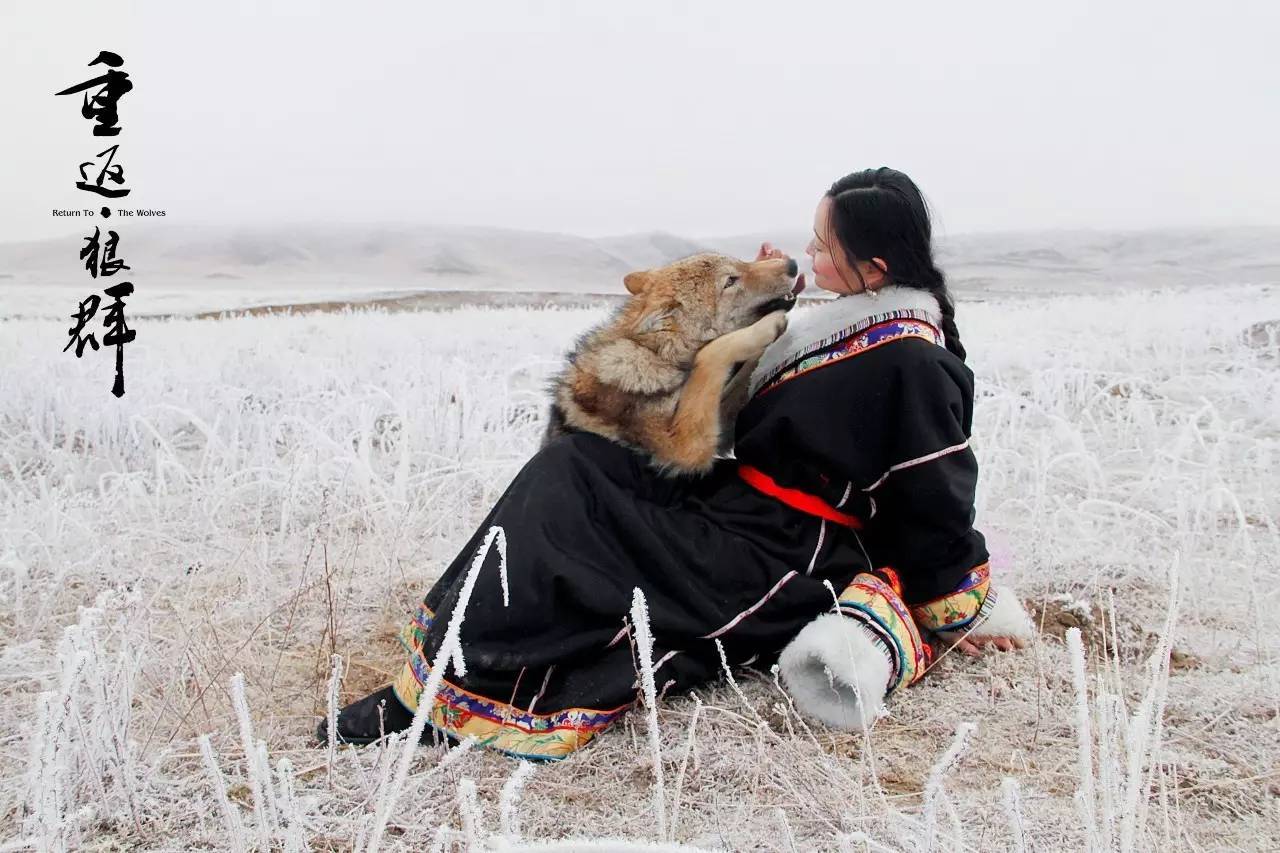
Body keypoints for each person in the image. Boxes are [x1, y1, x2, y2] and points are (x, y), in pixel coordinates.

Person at [317, 167, 1034, 760]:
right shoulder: (837, 326)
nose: (808, 255)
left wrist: (964, 610)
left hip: (780, 555)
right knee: (573, 465)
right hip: (735, 504)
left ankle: (453, 696)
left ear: (873, 267)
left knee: (585, 519)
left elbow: (934, 499)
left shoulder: (915, 361)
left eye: (822, 246)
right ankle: (453, 648)